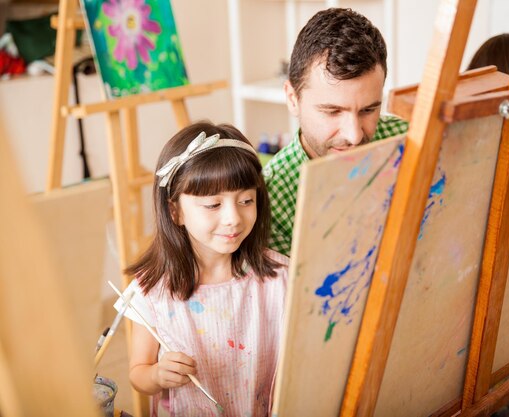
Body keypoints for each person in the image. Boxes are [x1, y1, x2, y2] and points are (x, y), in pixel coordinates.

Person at [115, 121, 289, 417]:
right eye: (213, 205)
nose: (233, 218)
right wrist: (157, 375)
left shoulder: (280, 277)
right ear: (175, 211)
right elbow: (138, 374)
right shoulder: (152, 290)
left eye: (246, 200)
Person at [263, 7, 409, 256]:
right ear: (292, 98)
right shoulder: (268, 201)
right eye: (332, 112)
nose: (354, 136)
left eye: (368, 110)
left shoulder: (407, 141)